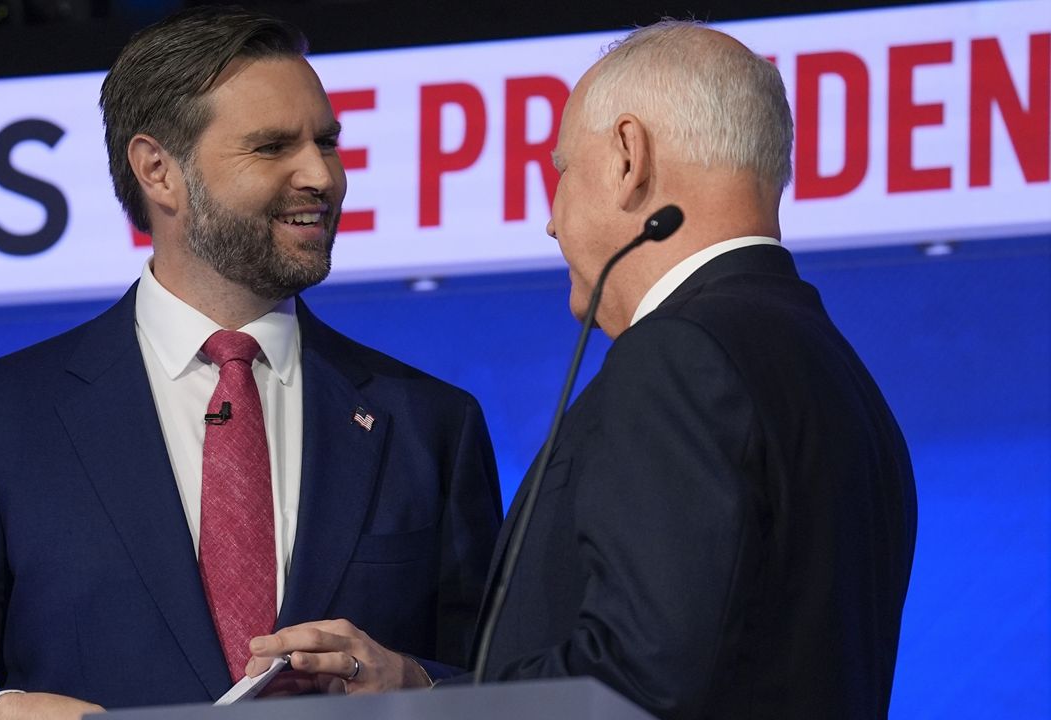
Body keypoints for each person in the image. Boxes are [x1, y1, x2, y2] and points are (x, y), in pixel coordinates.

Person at [0, 6, 501, 719]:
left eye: (328, 143)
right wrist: (4, 716)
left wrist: (418, 684)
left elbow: (507, 683)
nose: (322, 175)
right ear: (159, 170)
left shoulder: (430, 422)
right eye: (274, 147)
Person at [247, 20, 917, 719]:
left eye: (563, 170)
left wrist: (425, 711)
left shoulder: (678, 357)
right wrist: (426, 685)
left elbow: (633, 684)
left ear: (630, 156)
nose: (551, 222)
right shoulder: (841, 377)